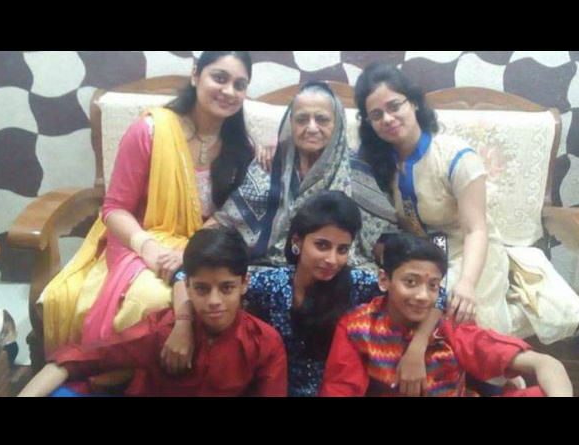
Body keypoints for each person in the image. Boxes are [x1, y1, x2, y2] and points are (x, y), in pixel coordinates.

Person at [40, 52, 256, 368]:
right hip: (140, 241)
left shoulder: (240, 147)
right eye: (219, 78)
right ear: (196, 75)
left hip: (201, 247)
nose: (228, 91)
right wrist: (149, 247)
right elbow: (114, 208)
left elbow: (231, 214)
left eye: (239, 84)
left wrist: (190, 251)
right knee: (154, 299)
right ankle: (125, 378)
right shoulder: (151, 130)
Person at [354, 62, 579, 345]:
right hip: (423, 256)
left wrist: (467, 284)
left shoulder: (455, 156)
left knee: (457, 318)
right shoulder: (377, 163)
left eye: (394, 106)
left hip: (471, 253)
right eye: (376, 115)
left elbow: (476, 230)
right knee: (403, 311)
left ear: (413, 103)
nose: (387, 118)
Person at [174, 191, 446, 396]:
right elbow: (183, 275)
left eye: (342, 249)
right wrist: (182, 324)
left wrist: (417, 347)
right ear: (297, 241)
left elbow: (438, 296)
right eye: (322, 245)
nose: (332, 259)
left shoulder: (357, 284)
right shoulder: (272, 284)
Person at [18, 226, 287, 397]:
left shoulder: (264, 344)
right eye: (202, 289)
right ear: (187, 286)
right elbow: (77, 359)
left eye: (226, 288)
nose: (214, 301)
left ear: (244, 284)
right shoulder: (162, 331)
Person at [320, 233, 573, 397]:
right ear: (384, 280)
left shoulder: (450, 327)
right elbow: (340, 390)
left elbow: (548, 365)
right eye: (410, 282)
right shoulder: (357, 328)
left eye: (432, 285)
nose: (423, 296)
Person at [214, 81, 397, 272]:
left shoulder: (357, 172)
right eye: (302, 119)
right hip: (272, 269)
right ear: (291, 123)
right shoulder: (269, 164)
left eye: (322, 119)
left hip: (338, 270)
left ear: (337, 123)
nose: (311, 128)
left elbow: (384, 237)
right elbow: (225, 223)